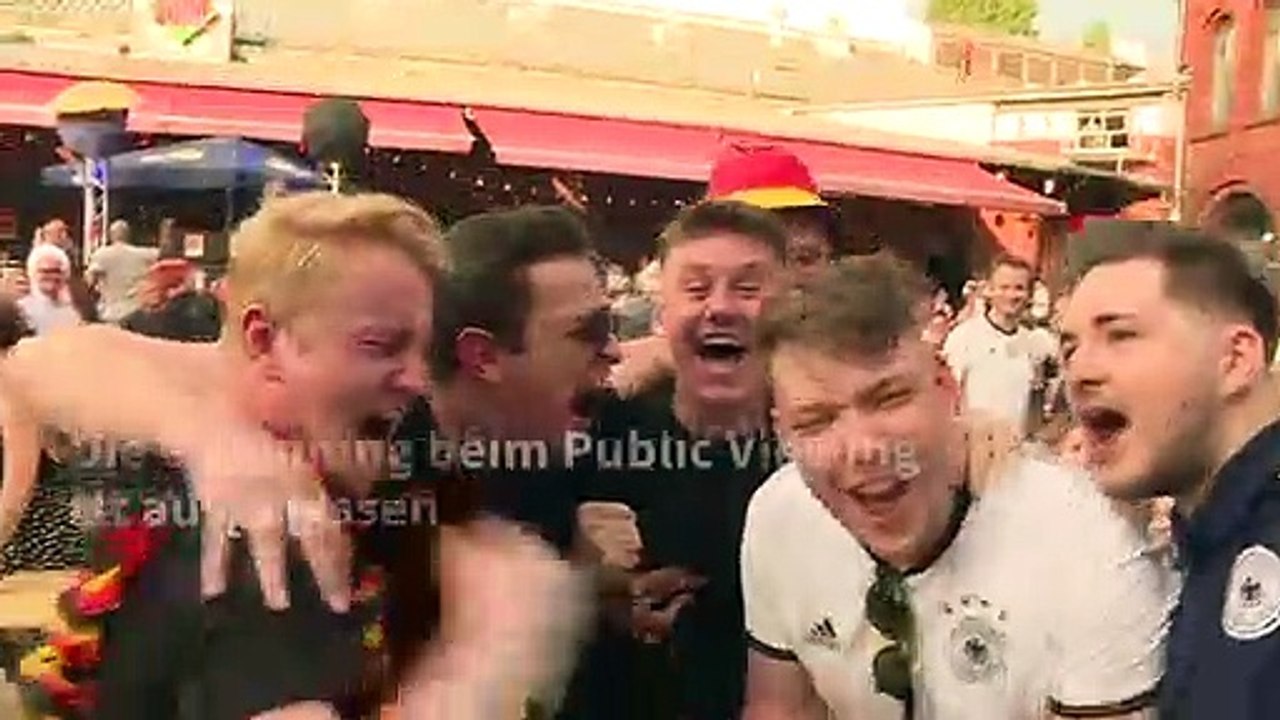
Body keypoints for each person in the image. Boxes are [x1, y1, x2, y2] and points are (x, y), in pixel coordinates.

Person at [1, 193, 586, 719]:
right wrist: (491, 653)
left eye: (422, 348)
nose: (415, 379)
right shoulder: (266, 535)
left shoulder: (368, 455)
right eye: (380, 345)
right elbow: (47, 360)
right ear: (263, 340)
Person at [740, 254, 1176, 720]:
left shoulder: (1087, 539)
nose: (861, 449)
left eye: (889, 398)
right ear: (781, 432)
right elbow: (780, 708)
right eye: (814, 421)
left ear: (947, 386)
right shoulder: (778, 515)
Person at [576, 200, 787, 720]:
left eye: (747, 288)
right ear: (662, 314)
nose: (720, 307)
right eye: (696, 289)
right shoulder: (597, 439)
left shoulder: (824, 458)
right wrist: (591, 587)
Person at [1059, 227, 1280, 719]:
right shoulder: (1198, 540)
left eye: (1120, 336)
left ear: (1235, 360)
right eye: (1070, 347)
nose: (1079, 371)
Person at [942, 255, 1056, 439]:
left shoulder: (1035, 345)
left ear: (1029, 294)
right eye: (1004, 288)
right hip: (974, 451)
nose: (1011, 296)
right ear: (990, 290)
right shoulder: (963, 338)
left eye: (1019, 288)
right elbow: (946, 400)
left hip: (1016, 452)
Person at [86, 218, 159, 323]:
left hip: (111, 313)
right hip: (138, 314)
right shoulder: (146, 255)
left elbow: (89, 283)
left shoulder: (101, 255)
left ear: (110, 235)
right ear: (128, 235)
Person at [18, 244, 82, 336]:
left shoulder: (75, 310)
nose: (52, 276)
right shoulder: (21, 311)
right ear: (32, 273)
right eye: (45, 271)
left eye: (57, 271)